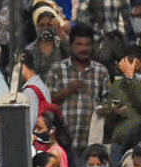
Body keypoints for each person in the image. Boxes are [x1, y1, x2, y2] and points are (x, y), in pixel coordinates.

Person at [46, 23, 111, 152]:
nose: (83, 49)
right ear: (71, 46)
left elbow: (108, 102)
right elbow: (47, 102)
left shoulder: (101, 71)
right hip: (63, 141)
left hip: (91, 142)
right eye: (79, 44)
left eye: (87, 45)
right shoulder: (57, 69)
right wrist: (68, 91)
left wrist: (108, 108)